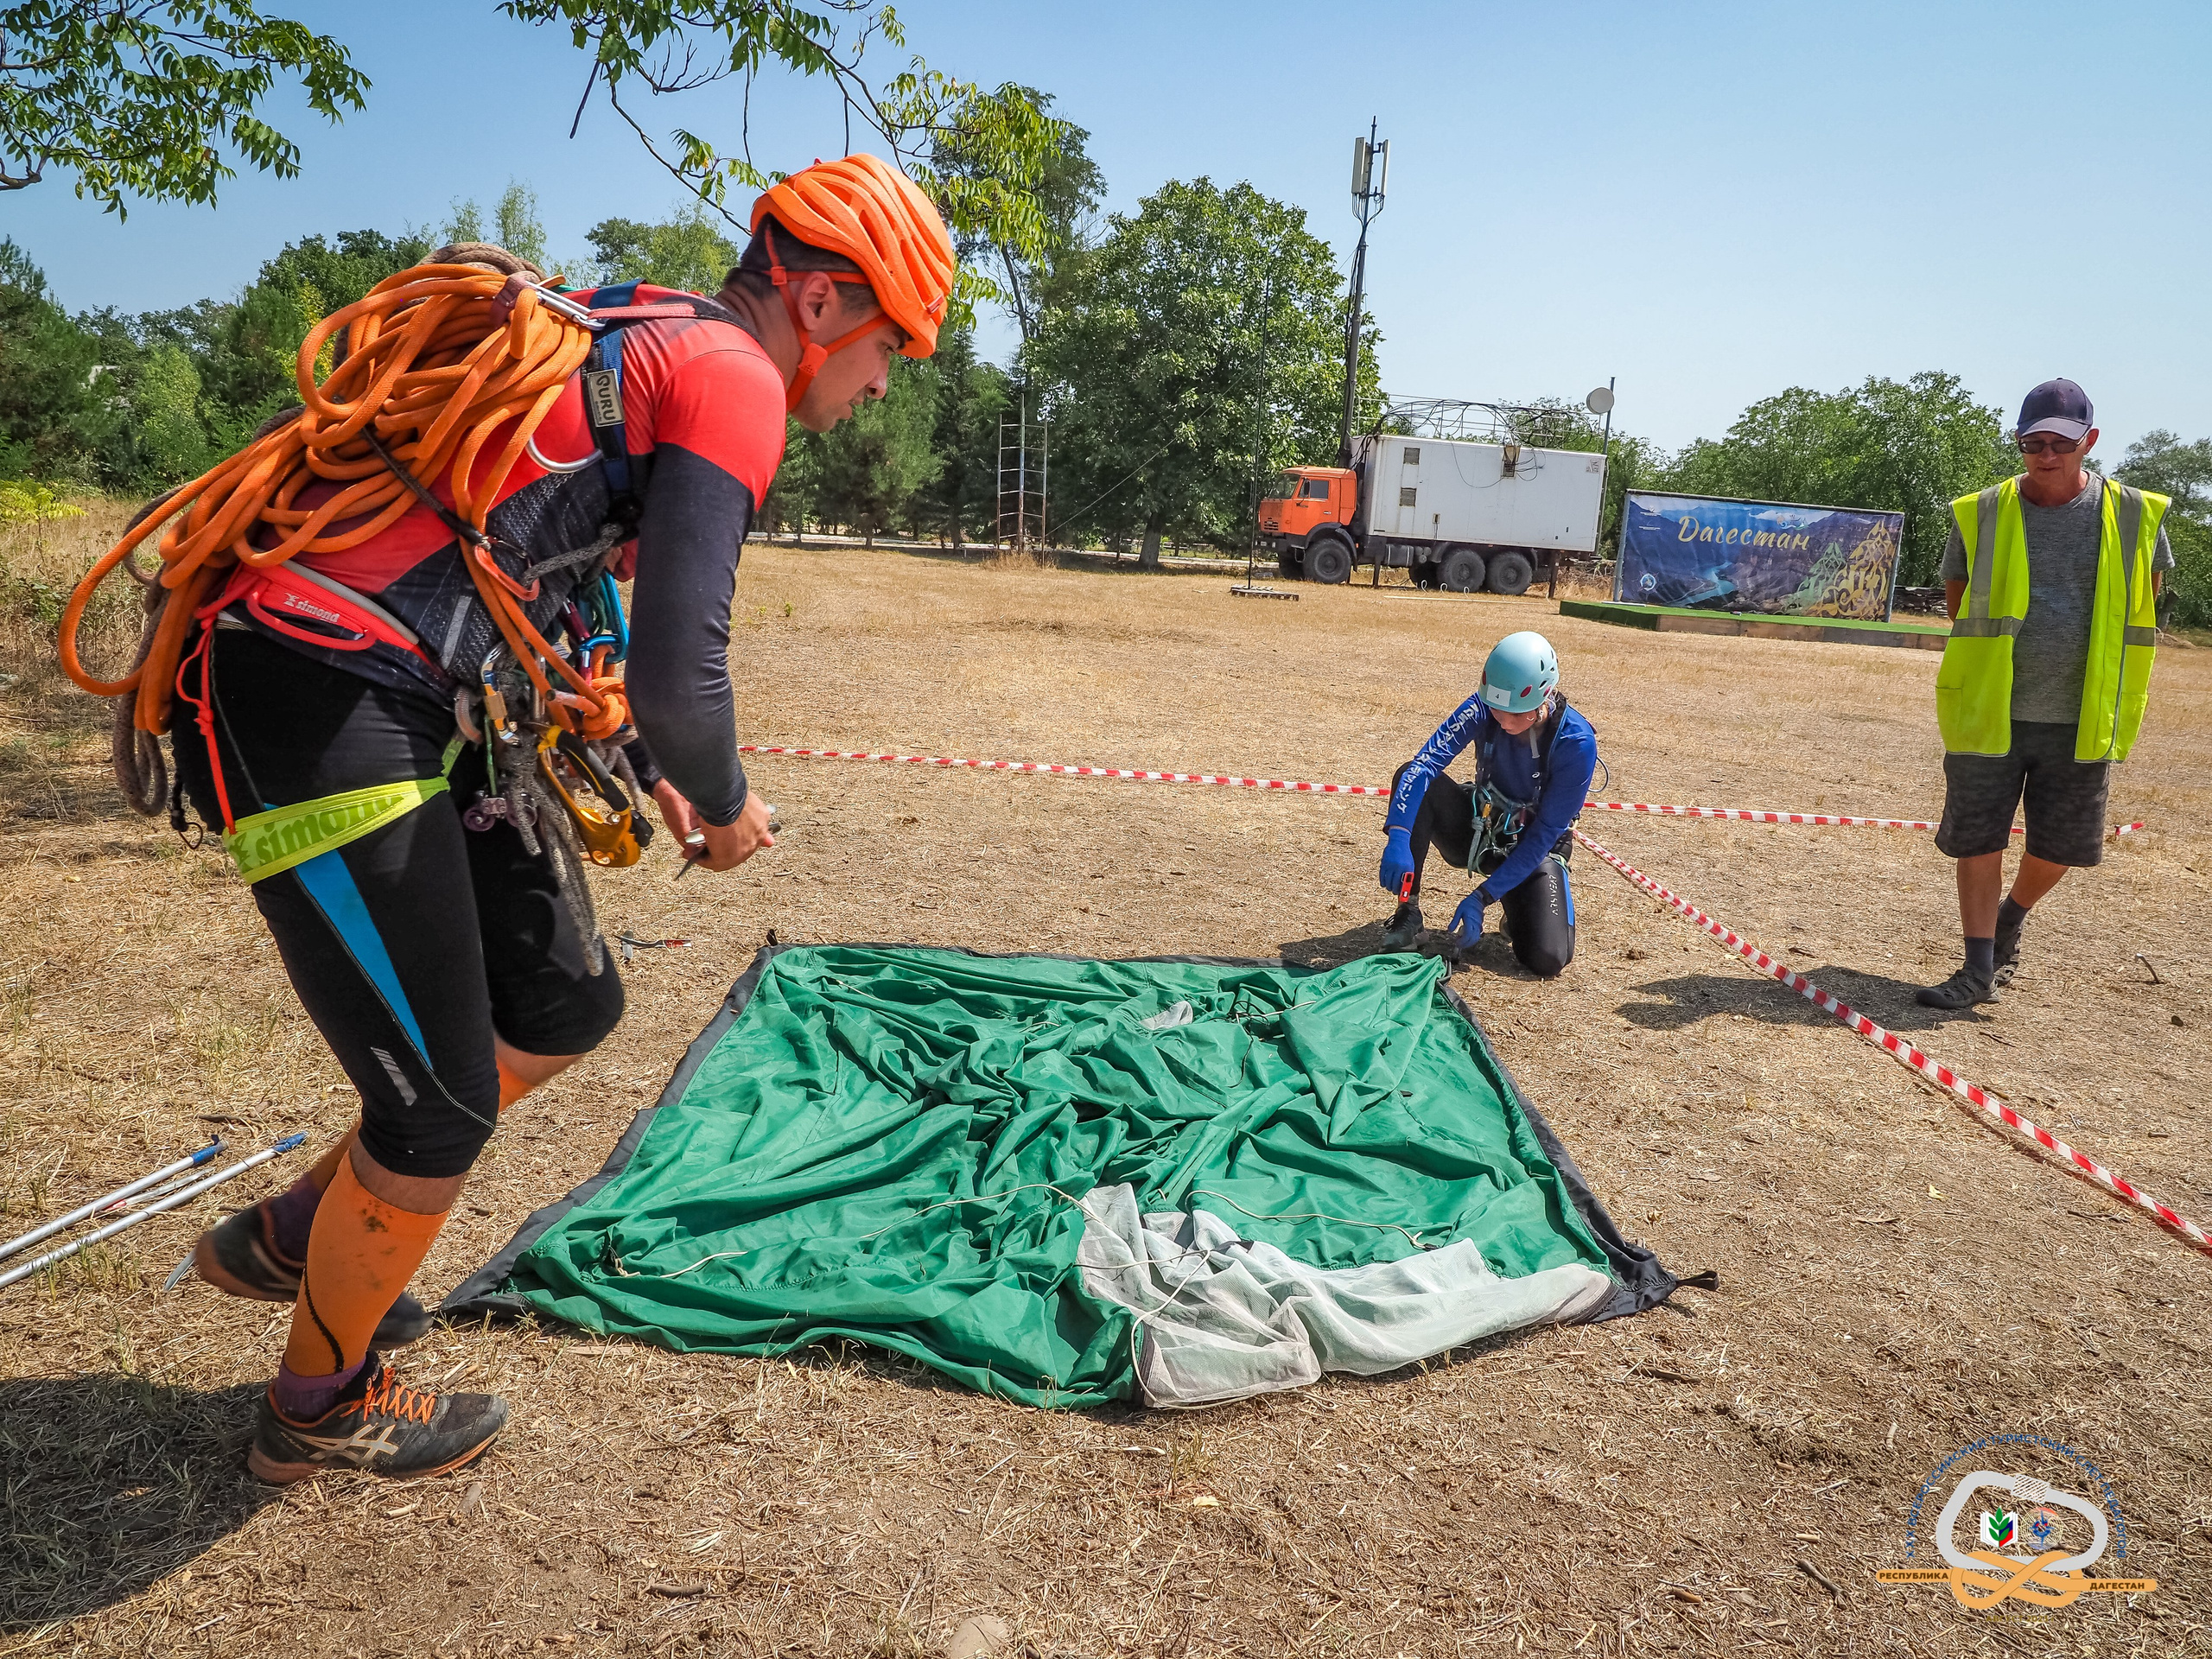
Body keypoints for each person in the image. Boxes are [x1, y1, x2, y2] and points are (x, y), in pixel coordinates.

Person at [170, 156, 957, 1482]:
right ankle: (317, 1406)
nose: (884, 385)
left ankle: (303, 1239)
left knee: (564, 1002)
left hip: (418, 691)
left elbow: (574, 582)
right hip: (318, 691)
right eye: (890, 348)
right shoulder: (735, 380)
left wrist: (642, 749)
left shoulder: (649, 330)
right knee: (438, 1113)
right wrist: (721, 799)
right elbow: (685, 670)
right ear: (820, 305)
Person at [1918, 378, 2171, 1009]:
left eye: (2061, 441)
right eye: (2034, 441)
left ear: (2089, 441)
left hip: (2084, 715)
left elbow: (2149, 593)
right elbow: (1959, 602)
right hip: (1988, 709)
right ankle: (1978, 969)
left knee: (2060, 848)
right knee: (1978, 839)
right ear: (2019, 442)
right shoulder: (1981, 510)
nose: (2046, 453)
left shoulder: (2136, 514)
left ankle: (2011, 917)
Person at [1377, 631, 1599, 977]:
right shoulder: (1482, 706)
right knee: (1413, 775)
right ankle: (1409, 912)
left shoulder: (1576, 743)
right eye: (1497, 711)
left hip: (1531, 847)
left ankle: (1516, 908)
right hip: (1480, 827)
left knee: (1547, 958)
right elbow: (1423, 767)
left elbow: (1544, 834)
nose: (1503, 721)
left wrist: (1482, 897)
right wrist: (1399, 835)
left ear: (1546, 698)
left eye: (1516, 714)